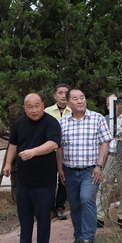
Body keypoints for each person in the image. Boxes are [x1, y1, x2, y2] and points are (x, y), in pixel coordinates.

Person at [3, 93, 61, 243]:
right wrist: (8, 163)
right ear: (24, 108)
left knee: (43, 215)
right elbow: (13, 144)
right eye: (30, 107)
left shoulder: (51, 122)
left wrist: (33, 152)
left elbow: (53, 144)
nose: (34, 110)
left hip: (44, 180)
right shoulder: (20, 123)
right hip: (24, 179)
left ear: (43, 105)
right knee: (24, 214)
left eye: (37, 105)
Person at [57, 89, 112, 243]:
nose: (80, 101)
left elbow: (105, 143)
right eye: (75, 99)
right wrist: (60, 169)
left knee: (86, 198)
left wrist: (99, 166)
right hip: (70, 171)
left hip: (91, 170)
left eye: (82, 97)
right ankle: (79, 237)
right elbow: (59, 147)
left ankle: (88, 239)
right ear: (68, 104)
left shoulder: (97, 118)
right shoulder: (63, 122)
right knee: (74, 205)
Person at [95, 93, 122, 231]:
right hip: (110, 157)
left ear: (120, 104)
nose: (107, 107)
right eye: (106, 104)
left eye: (109, 104)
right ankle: (98, 217)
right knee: (103, 187)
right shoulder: (104, 119)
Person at [44, 83, 72, 221]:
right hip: (50, 152)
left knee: (64, 179)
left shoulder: (74, 111)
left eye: (66, 93)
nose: (63, 95)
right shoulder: (47, 111)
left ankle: (60, 206)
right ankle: (49, 208)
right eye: (60, 93)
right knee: (49, 179)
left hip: (68, 152)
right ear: (55, 95)